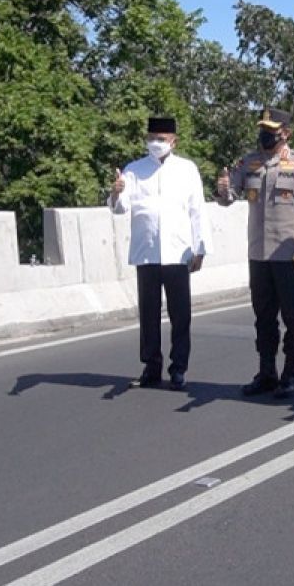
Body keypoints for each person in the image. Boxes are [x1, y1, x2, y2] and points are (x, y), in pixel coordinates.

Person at [216, 107, 294, 398]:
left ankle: (291, 375)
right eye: (263, 128)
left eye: (272, 130)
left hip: (288, 253)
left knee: (292, 318)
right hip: (259, 253)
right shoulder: (249, 162)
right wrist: (223, 189)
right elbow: (228, 198)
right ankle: (266, 372)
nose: (265, 134)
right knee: (263, 317)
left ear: (285, 133)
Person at [109, 116, 210, 392]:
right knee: (149, 314)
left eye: (161, 139)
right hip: (147, 252)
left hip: (178, 252)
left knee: (181, 315)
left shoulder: (187, 170)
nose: (155, 143)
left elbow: (197, 211)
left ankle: (178, 368)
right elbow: (120, 209)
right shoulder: (133, 170)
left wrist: (200, 248)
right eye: (152, 138)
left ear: (173, 141)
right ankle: (151, 366)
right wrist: (116, 194)